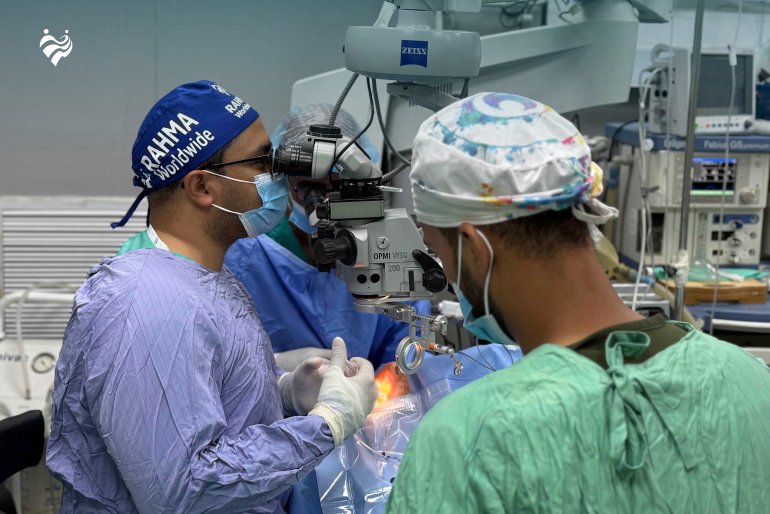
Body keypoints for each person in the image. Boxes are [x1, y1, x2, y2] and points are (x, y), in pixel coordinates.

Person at [385, 93, 770, 513]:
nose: (448, 276)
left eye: (439, 252)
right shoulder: (749, 379)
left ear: (475, 246)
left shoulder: (466, 440)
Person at [46, 81, 377, 514]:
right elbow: (181, 492)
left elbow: (211, 408)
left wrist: (283, 392)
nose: (279, 176)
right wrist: (326, 424)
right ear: (202, 187)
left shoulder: (208, 279)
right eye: (263, 161)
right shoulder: (147, 304)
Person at [224, 103, 430, 372]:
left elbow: (407, 350)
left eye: (340, 187)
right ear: (281, 178)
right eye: (309, 187)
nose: (326, 202)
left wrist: (383, 384)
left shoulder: (387, 245)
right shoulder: (241, 255)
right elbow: (219, 357)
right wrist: (276, 370)